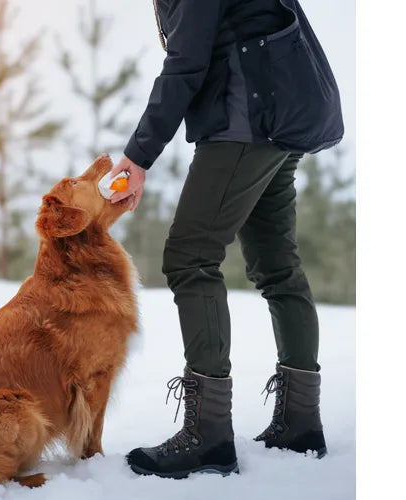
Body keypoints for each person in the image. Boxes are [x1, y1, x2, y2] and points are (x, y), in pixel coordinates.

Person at [110, 0, 343, 479]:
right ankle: (301, 423)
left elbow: (186, 63)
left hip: (249, 114)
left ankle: (208, 434)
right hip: (280, 110)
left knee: (189, 257)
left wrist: (138, 156)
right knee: (277, 265)